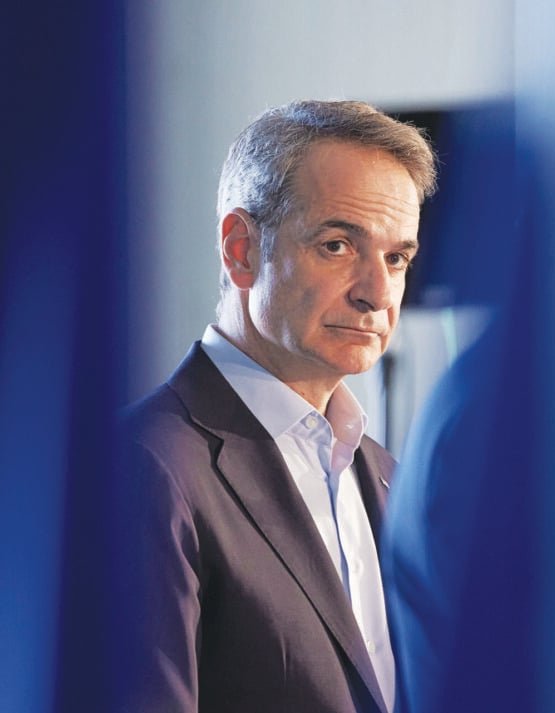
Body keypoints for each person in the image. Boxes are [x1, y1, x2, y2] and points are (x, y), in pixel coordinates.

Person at [119, 100, 436, 713]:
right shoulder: (144, 466)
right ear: (241, 250)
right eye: (338, 245)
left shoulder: (387, 475)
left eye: (396, 258)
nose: (377, 294)